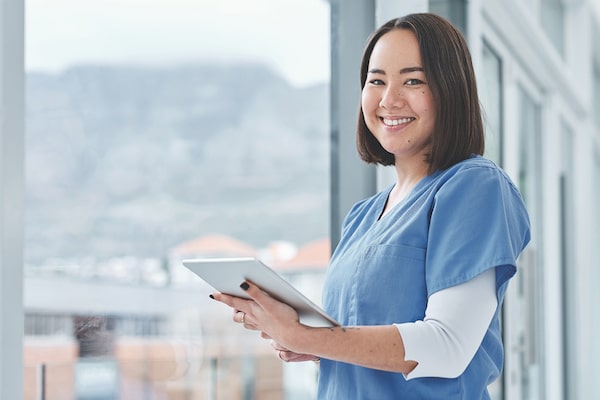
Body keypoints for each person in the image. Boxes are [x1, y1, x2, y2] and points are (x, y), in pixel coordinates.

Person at [211, 12, 530, 399]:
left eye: (413, 80)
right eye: (376, 81)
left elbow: (448, 347)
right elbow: (371, 342)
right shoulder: (362, 217)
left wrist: (304, 334)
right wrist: (310, 345)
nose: (388, 99)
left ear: (451, 89)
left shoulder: (474, 186)